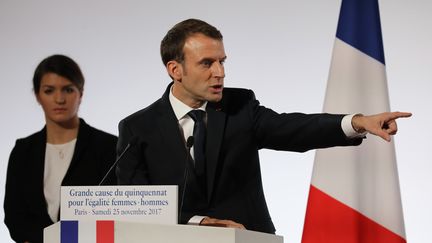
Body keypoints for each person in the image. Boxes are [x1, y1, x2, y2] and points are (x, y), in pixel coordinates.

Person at [115, 19, 411, 234]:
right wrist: (199, 223)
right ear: (174, 69)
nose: (220, 73)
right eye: (207, 63)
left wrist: (356, 122)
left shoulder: (240, 105)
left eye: (222, 61)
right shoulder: (137, 128)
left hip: (248, 238)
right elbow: (137, 206)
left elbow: (292, 128)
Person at [4, 54, 118, 243]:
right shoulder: (23, 151)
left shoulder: (109, 147)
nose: (59, 99)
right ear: (37, 96)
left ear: (80, 94)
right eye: (49, 91)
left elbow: (115, 215)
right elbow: (15, 217)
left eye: (68, 89)